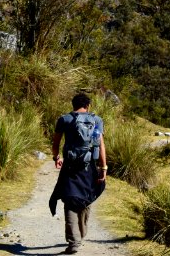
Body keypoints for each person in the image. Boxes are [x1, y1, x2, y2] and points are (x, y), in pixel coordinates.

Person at [48, 93, 107, 255]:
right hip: (90, 167)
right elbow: (101, 146)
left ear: (73, 105)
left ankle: (74, 241)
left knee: (70, 199)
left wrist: (56, 157)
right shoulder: (97, 120)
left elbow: (56, 143)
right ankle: (81, 234)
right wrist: (104, 168)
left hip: (70, 167)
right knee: (85, 199)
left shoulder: (65, 119)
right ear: (88, 106)